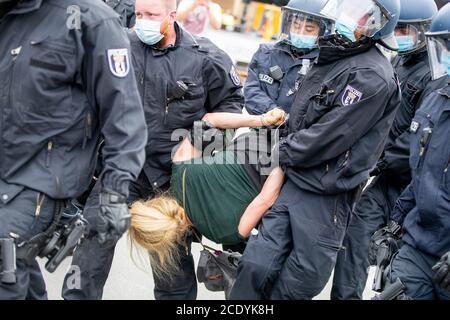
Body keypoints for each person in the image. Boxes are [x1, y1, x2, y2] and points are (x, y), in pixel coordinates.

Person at [62, 0, 245, 300]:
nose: (142, 21)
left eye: (151, 15)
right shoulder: (119, 45)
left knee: (171, 269)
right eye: (139, 14)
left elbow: (231, 105)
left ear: (172, 15)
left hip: (173, 180)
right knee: (91, 250)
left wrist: (198, 140)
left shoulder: (205, 57)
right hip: (121, 170)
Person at [230, 0, 402, 300]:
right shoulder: (334, 56)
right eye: (347, 8)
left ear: (378, 24)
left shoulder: (372, 75)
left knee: (302, 279)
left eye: (358, 14)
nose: (347, 18)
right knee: (257, 262)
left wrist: (280, 152)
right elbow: (301, 116)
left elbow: (330, 135)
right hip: (294, 179)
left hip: (327, 195)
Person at [0, 0, 146, 300]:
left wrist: (114, 193)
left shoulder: (93, 22)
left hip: (38, 180)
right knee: (18, 274)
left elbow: (124, 117)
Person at [331, 0, 439, 300]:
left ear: (425, 32)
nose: (401, 35)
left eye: (408, 30)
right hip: (384, 180)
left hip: (414, 184)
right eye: (398, 28)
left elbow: (419, 137)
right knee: (355, 239)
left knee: (398, 262)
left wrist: (379, 159)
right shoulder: (397, 62)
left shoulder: (434, 75)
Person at [128, 109, 286, 278]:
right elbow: (210, 120)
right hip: (261, 137)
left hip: (283, 164)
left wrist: (284, 155)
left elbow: (266, 199)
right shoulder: (180, 170)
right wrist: (263, 120)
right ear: (155, 203)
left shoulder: (222, 234)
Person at [377, 3, 450, 300]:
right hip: (419, 246)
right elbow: (421, 172)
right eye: (444, 46)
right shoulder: (435, 101)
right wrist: (395, 223)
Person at [244, 0, 334, 115]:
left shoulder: (324, 64)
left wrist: (289, 123)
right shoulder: (266, 53)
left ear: (322, 32)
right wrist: (275, 114)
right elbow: (251, 91)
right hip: (261, 128)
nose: (300, 32)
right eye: (296, 26)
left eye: (309, 29)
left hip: (297, 132)